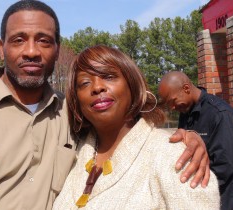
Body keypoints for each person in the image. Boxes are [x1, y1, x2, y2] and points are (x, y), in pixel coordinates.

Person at [0, 1, 211, 210]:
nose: (31, 51)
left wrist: (185, 140)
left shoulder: (72, 116)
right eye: (18, 40)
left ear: (56, 50)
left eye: (43, 40)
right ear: (1, 47)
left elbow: (126, 134)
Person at [53, 45, 220, 209]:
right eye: (84, 83)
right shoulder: (73, 150)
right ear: (76, 99)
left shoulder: (173, 155)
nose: (97, 87)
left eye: (109, 76)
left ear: (132, 86)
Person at [158, 71, 233, 210]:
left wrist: (194, 187)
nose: (173, 108)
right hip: (202, 199)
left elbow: (226, 164)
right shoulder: (186, 111)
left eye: (173, 101)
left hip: (224, 201)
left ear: (186, 88)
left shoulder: (219, 114)